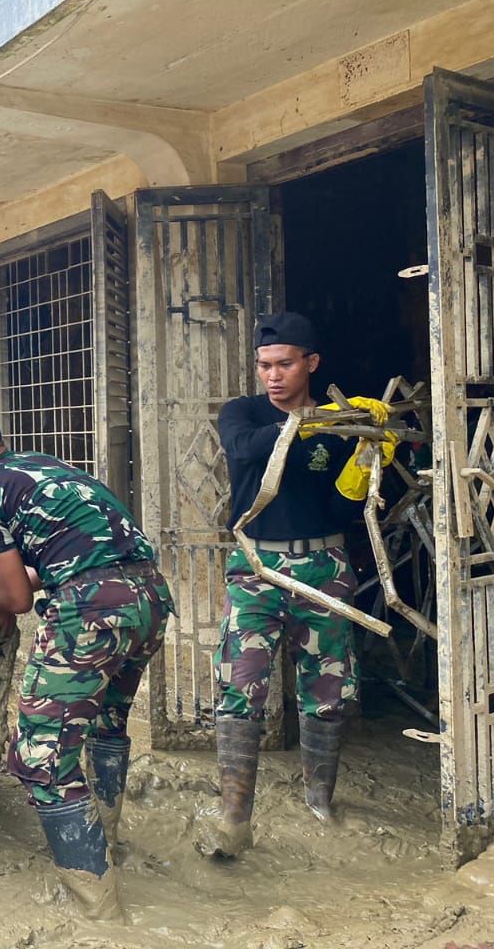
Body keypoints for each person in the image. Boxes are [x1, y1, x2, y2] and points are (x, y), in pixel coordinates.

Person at [0, 391, 172, 922]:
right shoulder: (45, 467)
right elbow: (71, 557)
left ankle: (98, 906)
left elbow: (16, 599)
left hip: (90, 612)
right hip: (150, 598)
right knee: (108, 722)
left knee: (40, 755)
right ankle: (108, 840)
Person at [196, 312, 390, 859]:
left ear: (312, 364)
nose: (273, 376)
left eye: (285, 364)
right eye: (264, 366)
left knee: (328, 689)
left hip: (324, 565)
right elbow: (244, 450)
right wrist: (312, 421)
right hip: (258, 570)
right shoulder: (244, 412)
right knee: (241, 685)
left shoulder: (336, 425)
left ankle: (319, 801)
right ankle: (234, 816)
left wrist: (364, 462)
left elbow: (337, 506)